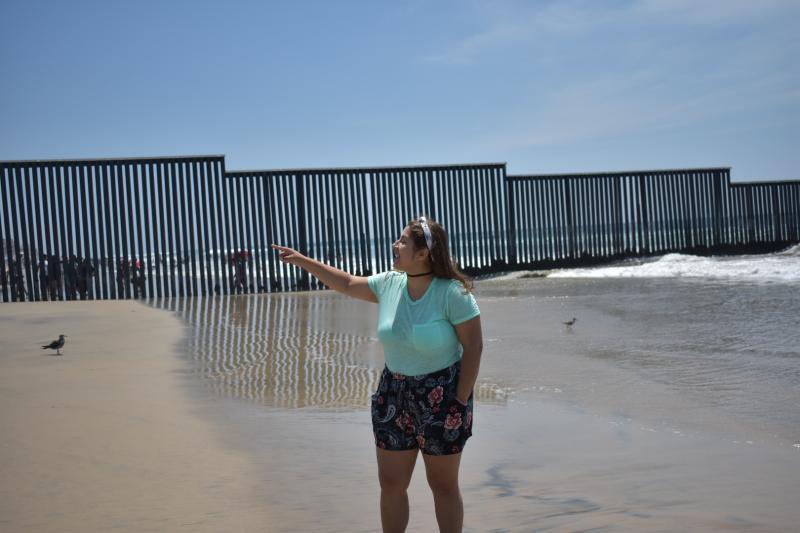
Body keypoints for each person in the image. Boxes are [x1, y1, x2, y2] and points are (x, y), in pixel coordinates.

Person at [272, 215, 483, 533]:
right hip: (393, 394)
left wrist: (459, 399)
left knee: (442, 485)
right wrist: (303, 261)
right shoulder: (389, 285)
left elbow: (474, 347)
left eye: (402, 241)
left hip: (442, 397)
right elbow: (345, 283)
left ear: (423, 253)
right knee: (391, 484)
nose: (394, 245)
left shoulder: (452, 293)